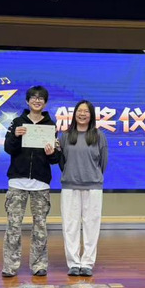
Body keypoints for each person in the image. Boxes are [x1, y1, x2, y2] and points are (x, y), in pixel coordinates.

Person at [2, 86, 60, 277]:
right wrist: (15, 136)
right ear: (27, 101)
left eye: (41, 98)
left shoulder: (51, 125)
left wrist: (52, 153)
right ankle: (10, 266)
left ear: (45, 102)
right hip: (17, 182)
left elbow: (55, 159)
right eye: (33, 97)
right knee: (13, 226)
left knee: (40, 226)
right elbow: (8, 148)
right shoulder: (17, 122)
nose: (37, 100)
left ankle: (39, 264)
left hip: (41, 184)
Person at [58, 100, 108, 277]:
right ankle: (73, 263)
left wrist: (91, 176)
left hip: (93, 187)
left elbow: (103, 162)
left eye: (86, 111)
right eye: (79, 111)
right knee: (70, 226)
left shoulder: (99, 136)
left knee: (91, 225)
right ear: (74, 114)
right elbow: (62, 162)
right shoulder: (65, 136)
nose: (82, 114)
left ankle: (87, 263)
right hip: (70, 186)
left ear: (91, 115)